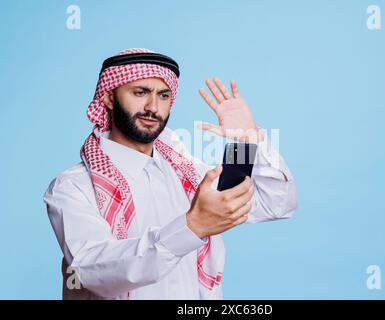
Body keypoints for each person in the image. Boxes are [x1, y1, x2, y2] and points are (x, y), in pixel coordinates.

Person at [43, 48, 297, 300]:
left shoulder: (189, 173)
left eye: (163, 95)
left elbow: (276, 204)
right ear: (109, 98)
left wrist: (246, 141)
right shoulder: (73, 186)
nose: (153, 107)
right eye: (140, 92)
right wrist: (191, 228)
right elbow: (91, 271)